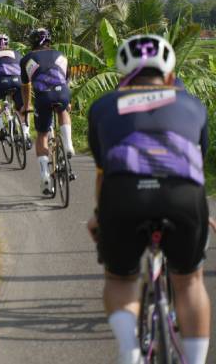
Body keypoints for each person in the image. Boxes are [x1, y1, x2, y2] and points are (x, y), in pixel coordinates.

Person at [86, 34, 210, 364]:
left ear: (123, 73)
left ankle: (130, 353)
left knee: (120, 277)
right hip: (184, 196)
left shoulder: (103, 107)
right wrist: (202, 211)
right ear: (169, 73)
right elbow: (196, 164)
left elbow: (104, 171)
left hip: (124, 194)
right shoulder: (192, 104)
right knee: (189, 281)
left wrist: (100, 215)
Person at [20, 27, 74, 195]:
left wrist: (26, 105)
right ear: (49, 41)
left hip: (43, 97)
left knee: (42, 134)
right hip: (62, 93)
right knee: (63, 111)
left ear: (32, 43)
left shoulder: (27, 59)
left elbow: (26, 86)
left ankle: (44, 173)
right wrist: (68, 102)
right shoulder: (62, 55)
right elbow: (66, 81)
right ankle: (68, 144)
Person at [0, 32, 29, 144]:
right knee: (22, 108)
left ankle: (1, 129)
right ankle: (26, 136)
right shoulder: (17, 53)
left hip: (1, 82)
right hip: (18, 82)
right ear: (7, 44)